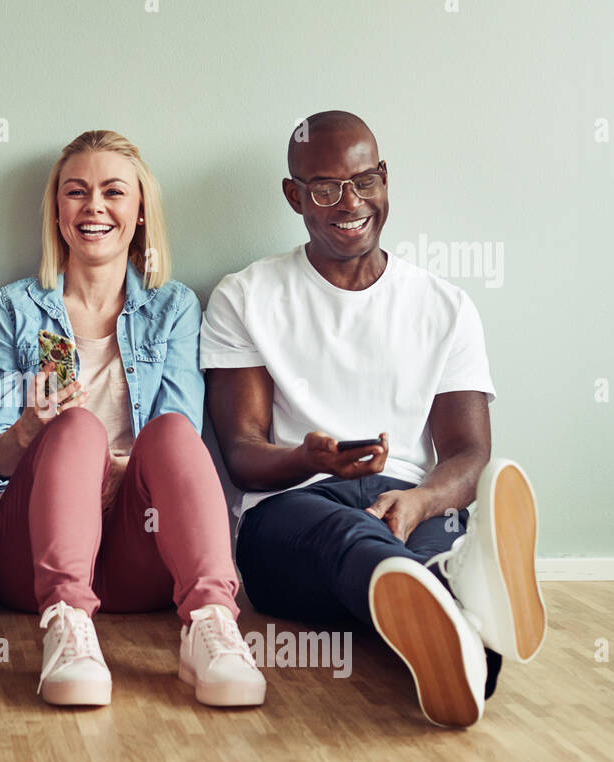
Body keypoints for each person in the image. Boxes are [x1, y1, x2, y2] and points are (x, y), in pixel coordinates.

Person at [201, 109, 548, 728]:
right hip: (289, 514)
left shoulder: (445, 307)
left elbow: (469, 456)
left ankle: (458, 641)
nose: (349, 202)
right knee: (352, 543)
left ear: (385, 178)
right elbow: (243, 454)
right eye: (324, 188)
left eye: (364, 181)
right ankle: (461, 590)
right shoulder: (245, 297)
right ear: (293, 196)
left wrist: (418, 503)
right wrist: (308, 459)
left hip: (409, 503)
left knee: (390, 564)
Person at [0, 130, 265, 709]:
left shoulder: (172, 306)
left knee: (174, 432)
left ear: (140, 210)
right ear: (57, 209)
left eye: (113, 192)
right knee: (76, 430)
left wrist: (111, 476)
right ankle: (67, 628)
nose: (94, 206)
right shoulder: (13, 309)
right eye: (76, 192)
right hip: (29, 559)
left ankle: (212, 627)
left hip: (136, 549)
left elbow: (173, 444)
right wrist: (29, 429)